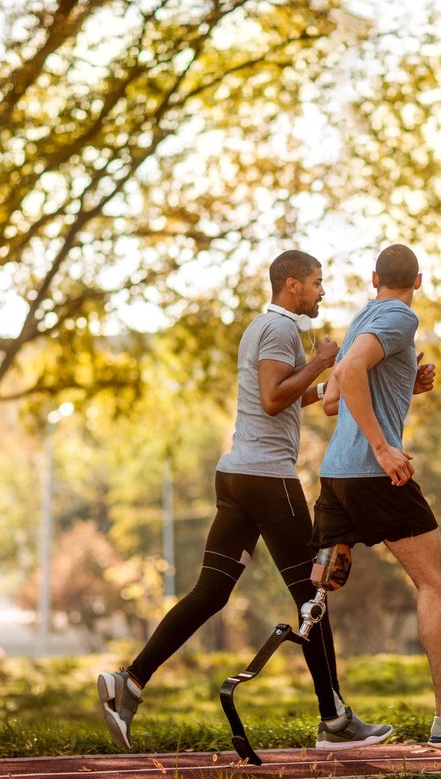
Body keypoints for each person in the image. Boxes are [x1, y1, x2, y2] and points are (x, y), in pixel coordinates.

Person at [97, 250, 392, 753]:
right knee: (313, 598)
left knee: (211, 592)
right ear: (292, 284)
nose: (323, 291)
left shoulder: (269, 330)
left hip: (237, 476)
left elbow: (293, 398)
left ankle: (130, 682)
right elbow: (274, 397)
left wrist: (332, 378)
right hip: (266, 479)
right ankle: (335, 720)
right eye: (317, 282)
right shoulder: (278, 330)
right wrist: (322, 360)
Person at [312, 243, 441, 751]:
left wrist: (405, 389)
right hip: (374, 474)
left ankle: (331, 718)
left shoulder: (362, 319)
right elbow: (351, 375)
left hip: (335, 474)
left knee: (316, 593)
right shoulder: (400, 316)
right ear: (417, 280)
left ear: (372, 276)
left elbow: (332, 400)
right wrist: (382, 447)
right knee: (434, 583)